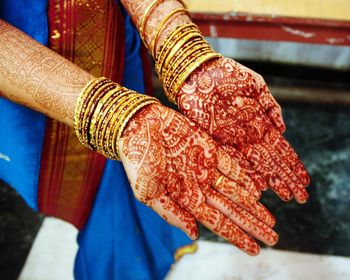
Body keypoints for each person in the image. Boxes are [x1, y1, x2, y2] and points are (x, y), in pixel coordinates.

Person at [0, 0, 310, 279]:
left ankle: (135, 256)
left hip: (109, 39)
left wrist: (182, 51)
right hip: (26, 84)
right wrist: (112, 114)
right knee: (105, 192)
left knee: (150, 176)